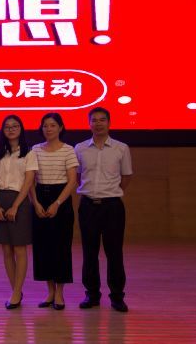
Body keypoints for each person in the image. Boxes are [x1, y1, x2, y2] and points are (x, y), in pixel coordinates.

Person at [75, 107, 133, 312]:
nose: (98, 124)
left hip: (112, 207)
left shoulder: (121, 148)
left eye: (102, 120)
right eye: (94, 120)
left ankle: (117, 296)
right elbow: (78, 176)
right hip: (88, 206)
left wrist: (110, 192)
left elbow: (126, 177)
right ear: (89, 123)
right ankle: (92, 294)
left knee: (114, 252)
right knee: (89, 252)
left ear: (109, 123)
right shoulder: (80, 148)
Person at [27, 112, 78, 310]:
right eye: (45, 125)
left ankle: (59, 293)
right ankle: (49, 292)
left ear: (60, 128)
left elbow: (72, 181)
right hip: (40, 196)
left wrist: (57, 203)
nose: (48, 129)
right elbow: (30, 180)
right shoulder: (35, 150)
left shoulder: (68, 150)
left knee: (61, 247)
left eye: (52, 125)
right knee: (43, 247)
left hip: (61, 199)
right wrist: (35, 203)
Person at [0, 115, 33, 310]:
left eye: (15, 126)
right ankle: (15, 290)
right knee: (6, 249)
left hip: (20, 201)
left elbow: (28, 181)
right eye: (7, 126)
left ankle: (17, 292)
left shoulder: (29, 153)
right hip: (0, 200)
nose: (11, 129)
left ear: (21, 129)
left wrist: (16, 206)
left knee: (19, 248)